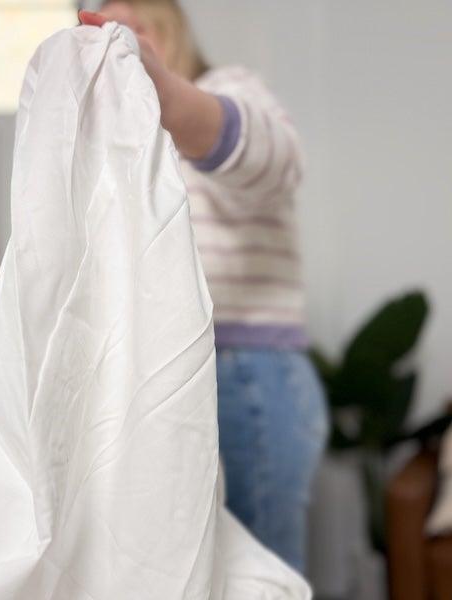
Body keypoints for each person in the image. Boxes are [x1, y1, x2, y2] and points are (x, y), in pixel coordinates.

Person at [79, 1, 328, 573]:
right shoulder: (122, 149)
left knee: (259, 568)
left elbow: (278, 158)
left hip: (246, 371)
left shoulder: (224, 87)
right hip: (170, 373)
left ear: (173, 35)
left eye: (137, 30)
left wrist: (167, 94)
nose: (122, 45)